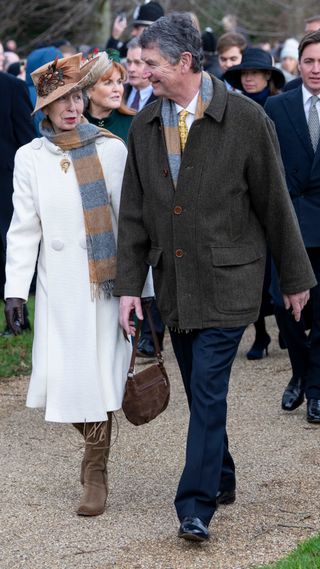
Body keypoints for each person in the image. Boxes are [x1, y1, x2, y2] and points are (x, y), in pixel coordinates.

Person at [114, 12, 315, 541]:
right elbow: (133, 212)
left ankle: (195, 505)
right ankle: (221, 474)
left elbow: (275, 205)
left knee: (206, 388)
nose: (143, 73)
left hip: (230, 283)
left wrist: (296, 278)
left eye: (152, 64)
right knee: (203, 393)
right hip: (175, 287)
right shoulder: (144, 124)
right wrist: (129, 287)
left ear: (184, 62)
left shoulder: (248, 119)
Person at [4, 52, 132, 517]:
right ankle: (95, 457)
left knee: (97, 381)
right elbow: (24, 226)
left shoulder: (110, 148)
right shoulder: (30, 157)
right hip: (57, 289)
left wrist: (143, 290)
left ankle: (96, 473)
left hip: (104, 287)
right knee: (61, 381)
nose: (71, 106)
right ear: (44, 108)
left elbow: (129, 225)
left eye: (77, 95)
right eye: (61, 100)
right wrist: (15, 289)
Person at [265, 30, 320, 424]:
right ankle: (300, 373)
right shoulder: (276, 106)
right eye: (310, 61)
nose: (317, 69)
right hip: (287, 224)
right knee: (285, 309)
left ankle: (315, 389)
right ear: (298, 65)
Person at [224, 49, 286, 358]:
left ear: (267, 76)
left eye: (254, 73)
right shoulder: (234, 109)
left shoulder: (280, 105)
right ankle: (261, 334)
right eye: (243, 74)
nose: (248, 78)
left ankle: (288, 326)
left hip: (278, 192)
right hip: (246, 199)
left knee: (283, 268)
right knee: (254, 274)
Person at [0, 67, 35, 335]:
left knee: (11, 248)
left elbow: (27, 138)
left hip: (6, 185)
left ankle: (18, 318)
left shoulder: (12, 87)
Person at [84, 49, 135, 144]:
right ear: (89, 90)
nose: (117, 89)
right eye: (108, 83)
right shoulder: (75, 124)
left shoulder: (134, 122)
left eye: (119, 82)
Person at [124, 37, 157, 111]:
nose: (131, 69)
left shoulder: (163, 99)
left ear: (151, 64)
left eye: (138, 63)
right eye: (129, 62)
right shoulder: (119, 93)